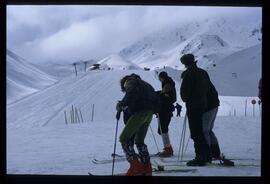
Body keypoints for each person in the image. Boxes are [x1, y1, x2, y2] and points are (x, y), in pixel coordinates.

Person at [116, 73, 158, 176]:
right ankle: (146, 167)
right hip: (149, 113)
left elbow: (132, 92)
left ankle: (135, 168)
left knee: (124, 138)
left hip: (140, 113)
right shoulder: (145, 84)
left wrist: (121, 104)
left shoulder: (130, 82)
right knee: (139, 141)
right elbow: (156, 98)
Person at [180, 53, 211, 166]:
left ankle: (200, 158)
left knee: (195, 132)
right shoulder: (203, 72)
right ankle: (207, 156)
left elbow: (184, 93)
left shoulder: (188, 74)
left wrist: (187, 99)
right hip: (202, 105)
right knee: (200, 131)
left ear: (185, 63)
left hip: (193, 106)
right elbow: (208, 88)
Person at [156, 71, 177, 157]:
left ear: (162, 78)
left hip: (165, 110)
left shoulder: (167, 84)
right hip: (166, 109)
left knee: (163, 129)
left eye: (160, 78)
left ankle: (168, 149)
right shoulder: (169, 83)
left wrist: (158, 96)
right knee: (163, 129)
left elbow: (165, 96)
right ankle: (168, 148)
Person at [202, 75, 221, 160]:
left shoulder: (202, 84)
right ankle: (215, 152)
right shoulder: (208, 83)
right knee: (208, 130)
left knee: (204, 131)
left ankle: (207, 153)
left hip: (209, 108)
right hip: (214, 106)